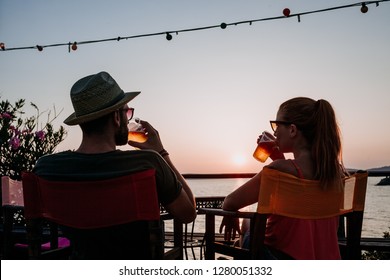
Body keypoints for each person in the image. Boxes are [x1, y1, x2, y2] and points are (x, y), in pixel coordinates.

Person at [33, 71, 196, 258]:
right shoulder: (148, 163)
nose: (129, 118)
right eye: (127, 111)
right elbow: (188, 213)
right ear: (116, 118)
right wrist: (161, 153)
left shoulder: (46, 168)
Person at [220, 97, 347, 260]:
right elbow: (302, 186)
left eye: (277, 125)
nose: (274, 132)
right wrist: (277, 157)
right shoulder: (336, 174)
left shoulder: (277, 171)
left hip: (278, 259)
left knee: (247, 225)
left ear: (292, 130)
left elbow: (230, 202)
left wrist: (230, 216)